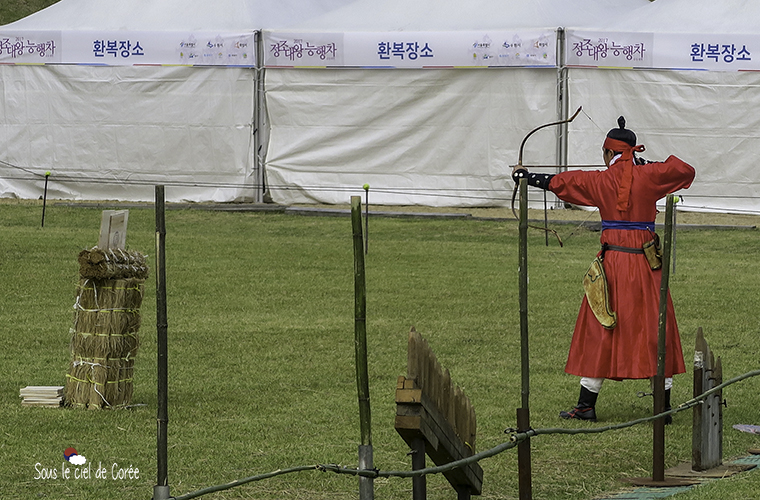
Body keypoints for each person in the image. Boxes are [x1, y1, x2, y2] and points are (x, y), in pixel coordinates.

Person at [513, 116, 695, 422]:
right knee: (655, 328)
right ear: (632, 152)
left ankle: (586, 405)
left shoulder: (600, 181)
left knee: (601, 327)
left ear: (609, 153)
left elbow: (564, 182)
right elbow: (684, 170)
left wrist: (527, 177)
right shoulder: (649, 176)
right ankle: (662, 409)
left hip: (613, 266)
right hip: (646, 266)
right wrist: (645, 163)